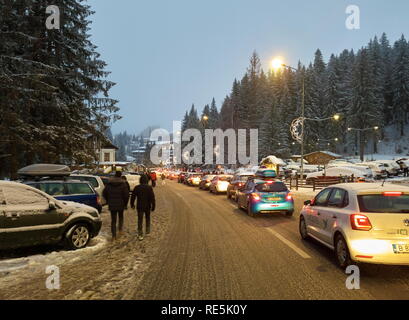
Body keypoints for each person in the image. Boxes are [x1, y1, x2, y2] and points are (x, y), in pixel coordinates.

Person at [103, 170, 129, 240]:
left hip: (112, 204)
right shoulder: (123, 184)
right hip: (121, 204)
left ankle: (113, 235)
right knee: (121, 217)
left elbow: (104, 193)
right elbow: (126, 195)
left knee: (113, 220)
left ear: (115, 175)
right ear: (120, 176)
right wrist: (125, 204)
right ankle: (120, 230)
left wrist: (108, 200)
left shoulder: (109, 183)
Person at [130, 175, 156, 241]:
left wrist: (132, 204)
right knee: (147, 218)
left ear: (140, 180)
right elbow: (152, 198)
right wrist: (153, 206)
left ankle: (140, 234)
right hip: (147, 206)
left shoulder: (137, 187)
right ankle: (147, 230)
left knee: (140, 220)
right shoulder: (149, 188)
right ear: (147, 180)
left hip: (140, 206)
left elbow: (133, 197)